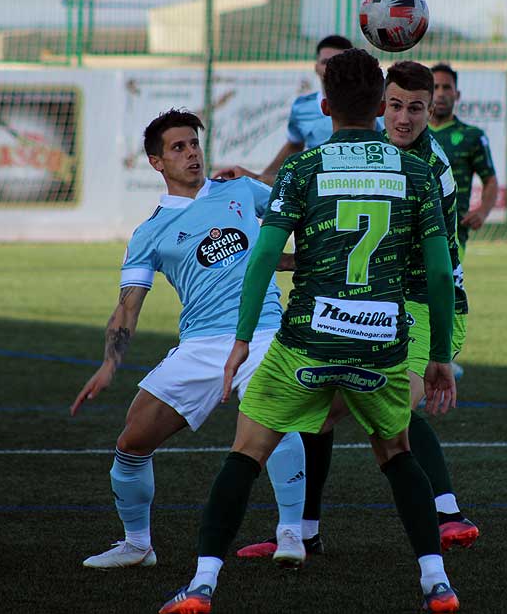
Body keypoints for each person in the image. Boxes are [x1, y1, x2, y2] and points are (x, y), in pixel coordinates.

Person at [158, 49, 461, 614]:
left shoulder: (303, 169)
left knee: (246, 453)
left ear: (324, 107)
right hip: (381, 344)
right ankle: (435, 581)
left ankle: (201, 584)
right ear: (379, 106)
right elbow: (441, 272)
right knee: (397, 455)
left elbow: (262, 258)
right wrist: (439, 352)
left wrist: (242, 341)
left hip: (304, 345)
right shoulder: (416, 172)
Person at [235, 61, 479, 563]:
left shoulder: (427, 167)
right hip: (377, 301)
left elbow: (407, 257)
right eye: (394, 106)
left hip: (424, 304)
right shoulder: (381, 155)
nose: (404, 118)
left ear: (432, 110)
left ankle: (447, 512)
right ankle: (305, 531)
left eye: (416, 108)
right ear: (378, 107)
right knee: (320, 413)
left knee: (389, 400)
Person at [70, 109, 307, 570]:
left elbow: (293, 214)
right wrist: (108, 364)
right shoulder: (149, 232)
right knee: (132, 442)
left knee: (278, 419)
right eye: (178, 148)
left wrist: (300, 261)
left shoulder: (239, 189)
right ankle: (138, 545)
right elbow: (128, 306)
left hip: (262, 332)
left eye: (194, 144)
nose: (192, 153)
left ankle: (290, 533)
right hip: (199, 346)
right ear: (157, 162)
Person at [214, 35, 356, 185]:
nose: (331, 68)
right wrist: (259, 179)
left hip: (355, 184)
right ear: (316, 67)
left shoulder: (368, 103)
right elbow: (294, 144)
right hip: (318, 186)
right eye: (325, 62)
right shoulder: (302, 107)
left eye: (337, 62)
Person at [428, 63, 499, 258]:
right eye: (435, 87)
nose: (440, 93)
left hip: (454, 232)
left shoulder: (471, 136)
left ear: (457, 94)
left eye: (446, 87)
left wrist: (483, 211)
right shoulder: (413, 134)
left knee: (448, 286)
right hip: (415, 228)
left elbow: (490, 180)